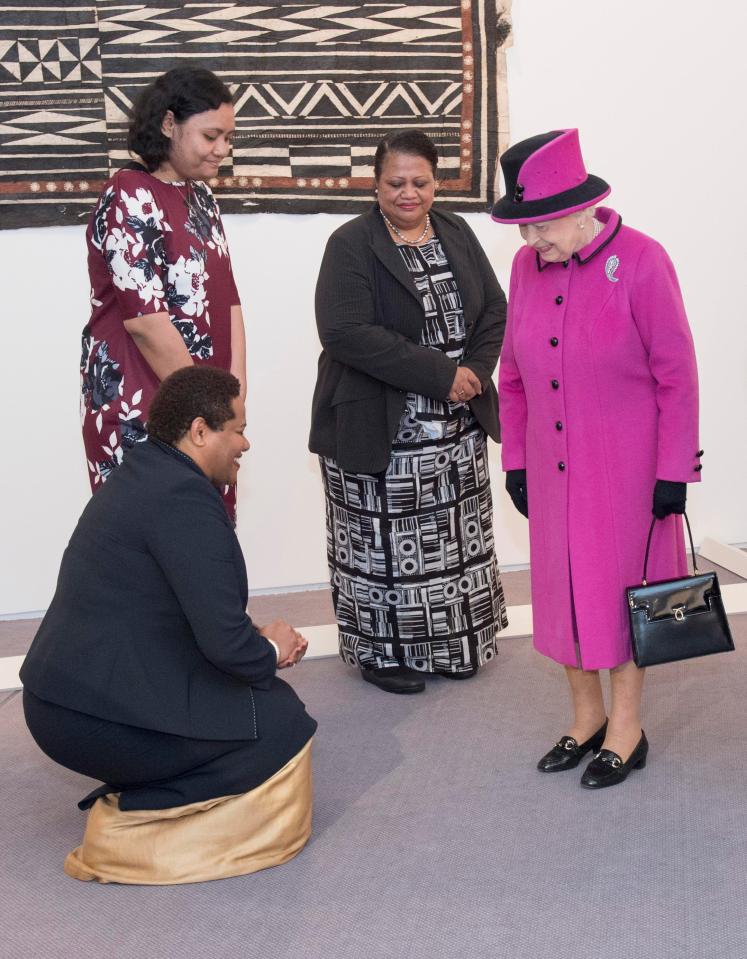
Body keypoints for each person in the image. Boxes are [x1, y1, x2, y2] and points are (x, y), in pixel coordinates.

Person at [21, 367, 317, 881]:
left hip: (60, 698)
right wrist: (273, 650)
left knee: (255, 706)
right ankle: (129, 823)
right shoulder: (184, 499)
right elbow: (228, 645)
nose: (245, 443)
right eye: (238, 429)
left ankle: (140, 799)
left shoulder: (143, 473)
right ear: (200, 431)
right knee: (281, 724)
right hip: (87, 717)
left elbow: (195, 617)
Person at [492, 129, 701, 788]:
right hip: (553, 473)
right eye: (521, 227)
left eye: (540, 224)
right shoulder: (526, 268)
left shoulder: (641, 261)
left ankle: (626, 728)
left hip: (628, 473)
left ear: (583, 208)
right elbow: (513, 374)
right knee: (562, 597)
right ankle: (584, 719)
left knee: (621, 598)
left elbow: (677, 374)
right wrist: (517, 457)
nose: (530, 240)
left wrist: (674, 471)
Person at [309, 129, 508, 695]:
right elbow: (344, 332)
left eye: (420, 182)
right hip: (381, 424)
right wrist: (440, 375)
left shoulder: (456, 231)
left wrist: (473, 372)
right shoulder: (350, 243)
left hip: (457, 421)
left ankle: (454, 644)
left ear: (436, 182)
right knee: (384, 548)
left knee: (451, 542)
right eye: (395, 182)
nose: (408, 193)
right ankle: (382, 655)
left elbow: (494, 308)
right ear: (374, 184)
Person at [81, 66, 245, 519]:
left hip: (202, 403)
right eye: (211, 136)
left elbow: (228, 299)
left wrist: (235, 393)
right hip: (145, 399)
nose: (222, 150)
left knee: (204, 537)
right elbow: (146, 323)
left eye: (228, 138)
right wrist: (208, 409)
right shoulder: (127, 194)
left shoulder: (203, 198)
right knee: (149, 543)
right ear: (169, 124)